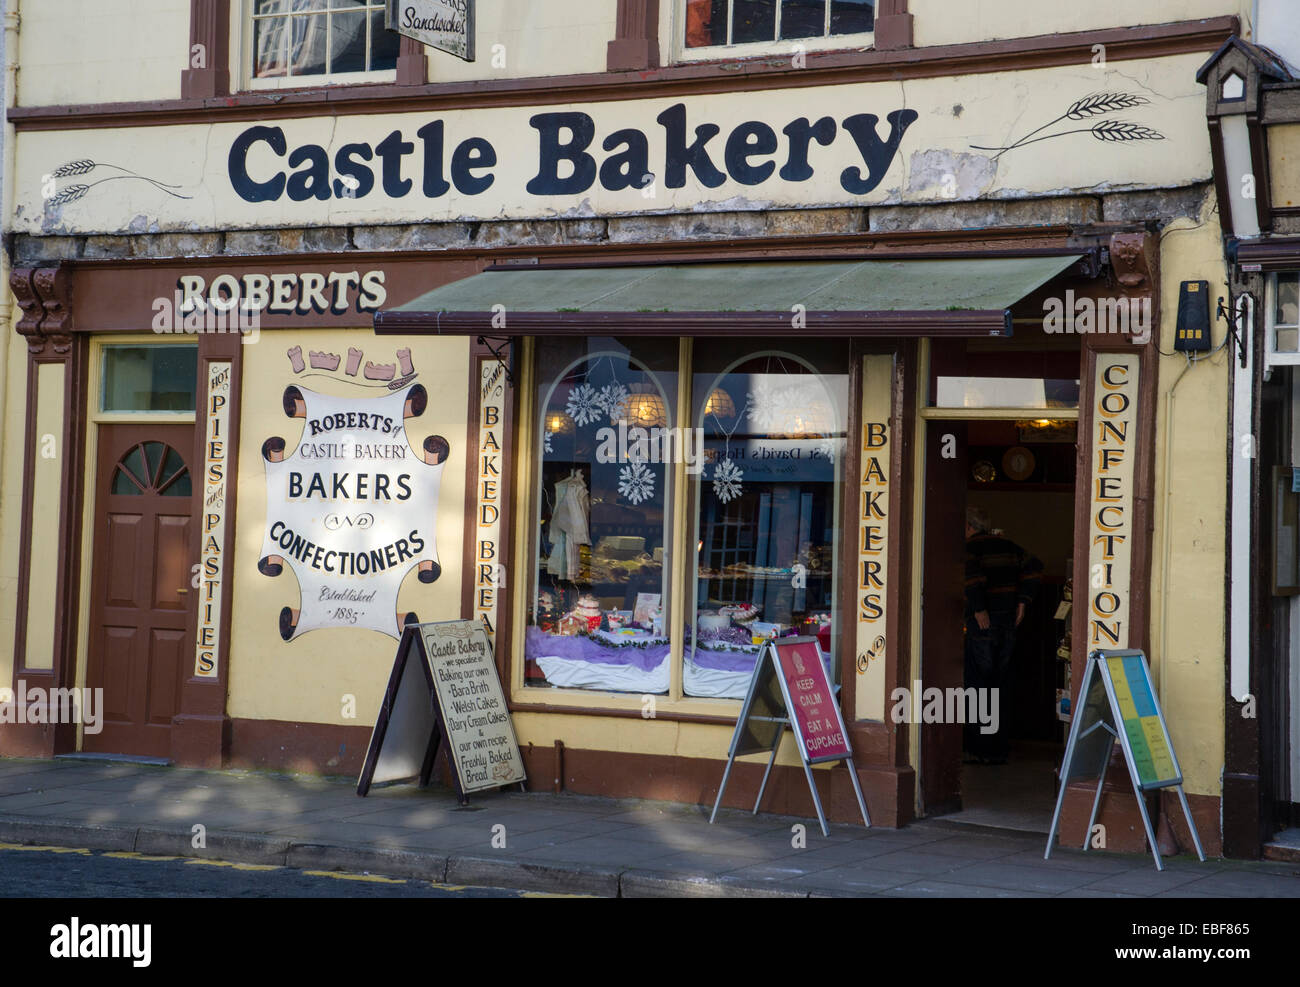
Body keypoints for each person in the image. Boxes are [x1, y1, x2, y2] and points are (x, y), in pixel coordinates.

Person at [963, 505, 1042, 765]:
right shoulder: (1009, 546)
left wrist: (978, 609)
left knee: (978, 686)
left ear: (968, 527)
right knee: (1000, 685)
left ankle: (979, 749)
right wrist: (1023, 601)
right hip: (1007, 624)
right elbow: (1035, 566)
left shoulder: (970, 549)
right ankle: (998, 748)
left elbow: (972, 580)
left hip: (982, 626)